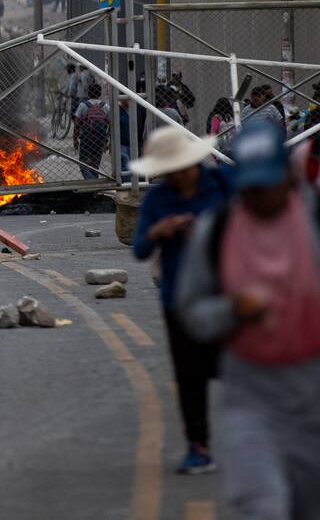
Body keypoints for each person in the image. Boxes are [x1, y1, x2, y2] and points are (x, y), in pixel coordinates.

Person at [177, 122, 320, 517]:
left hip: (313, 394)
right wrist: (232, 310)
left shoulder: (314, 222)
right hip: (251, 395)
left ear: (288, 177)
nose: (258, 196)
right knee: (264, 506)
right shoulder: (218, 230)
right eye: (250, 186)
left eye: (267, 184)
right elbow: (192, 310)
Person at [131, 126, 231, 475]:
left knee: (240, 366)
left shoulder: (222, 186)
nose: (173, 176)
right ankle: (198, 444)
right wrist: (160, 231)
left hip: (227, 291)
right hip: (179, 296)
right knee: (189, 374)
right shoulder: (158, 200)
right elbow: (140, 250)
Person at [74, 81, 110, 179]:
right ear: (99, 94)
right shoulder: (105, 106)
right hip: (100, 139)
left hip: (86, 138)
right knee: (95, 164)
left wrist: (75, 139)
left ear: (88, 93)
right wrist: (108, 142)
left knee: (83, 163)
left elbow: (77, 124)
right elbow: (111, 124)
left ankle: (91, 182)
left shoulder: (83, 105)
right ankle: (94, 183)